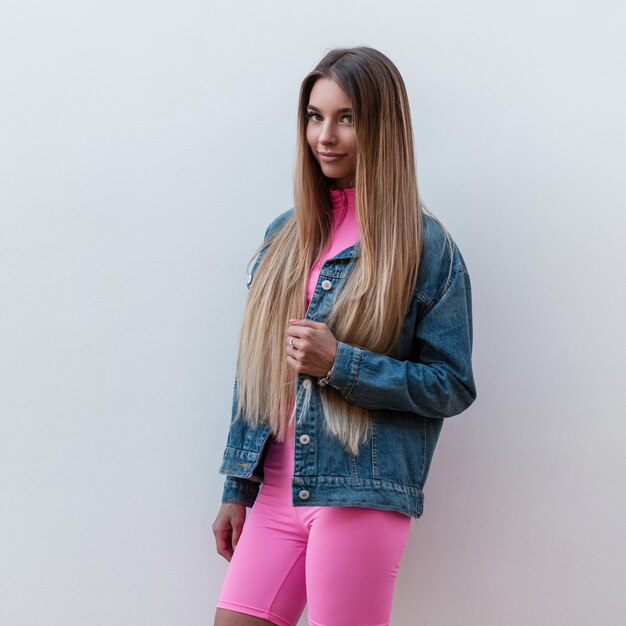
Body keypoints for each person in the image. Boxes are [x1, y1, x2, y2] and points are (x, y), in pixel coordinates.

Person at [212, 46, 476, 626]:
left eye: (346, 117)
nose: (324, 135)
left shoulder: (424, 248)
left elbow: (451, 385)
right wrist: (237, 485)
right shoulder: (284, 236)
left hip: (358, 494)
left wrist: (342, 364)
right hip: (276, 491)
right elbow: (255, 371)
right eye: (314, 116)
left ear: (382, 126)